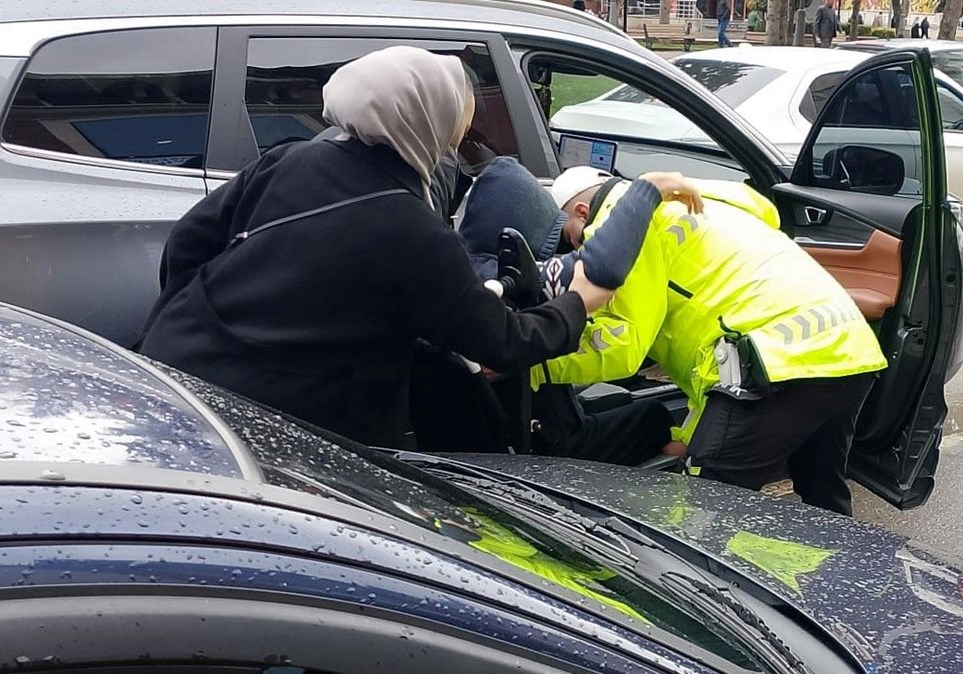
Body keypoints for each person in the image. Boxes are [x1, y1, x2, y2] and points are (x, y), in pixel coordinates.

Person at [137, 46, 618, 451]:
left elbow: (187, 243)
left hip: (176, 368)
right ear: (425, 121)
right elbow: (505, 343)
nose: (456, 140)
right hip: (276, 423)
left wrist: (191, 314)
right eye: (457, 124)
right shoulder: (410, 228)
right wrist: (579, 301)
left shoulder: (290, 159)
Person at [474, 167, 887, 515]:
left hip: (775, 365)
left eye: (570, 240)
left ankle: (718, 609)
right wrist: (688, 435)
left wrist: (533, 362)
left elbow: (623, 345)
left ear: (582, 212)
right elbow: (709, 340)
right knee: (824, 501)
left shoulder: (628, 225)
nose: (576, 256)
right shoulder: (709, 203)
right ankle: (838, 598)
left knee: (704, 517)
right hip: (848, 347)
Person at [457, 156, 700, 466]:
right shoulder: (519, 290)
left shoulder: (460, 284)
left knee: (611, 400)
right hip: (555, 447)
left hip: (499, 439)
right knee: (654, 415)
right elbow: (618, 337)